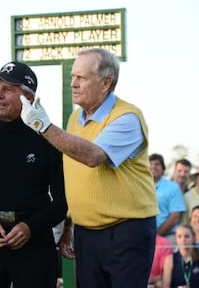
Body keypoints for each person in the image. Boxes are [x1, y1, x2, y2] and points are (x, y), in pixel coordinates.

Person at [20, 48, 158, 287]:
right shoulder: (75, 119)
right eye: (73, 76)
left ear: (106, 82)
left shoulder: (127, 117)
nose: (73, 83)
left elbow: (94, 156)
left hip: (126, 232)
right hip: (87, 232)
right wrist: (69, 225)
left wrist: (43, 126)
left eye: (81, 78)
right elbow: (77, 176)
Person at [0, 61, 67, 288]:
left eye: (7, 89)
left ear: (28, 97)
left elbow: (62, 201)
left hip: (35, 244)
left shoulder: (49, 138)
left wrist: (30, 226)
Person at [149, 153, 186, 242]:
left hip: (167, 238)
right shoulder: (140, 187)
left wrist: (157, 237)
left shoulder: (172, 187)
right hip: (145, 238)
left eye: (157, 164)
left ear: (163, 169)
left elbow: (175, 216)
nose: (153, 166)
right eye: (150, 164)